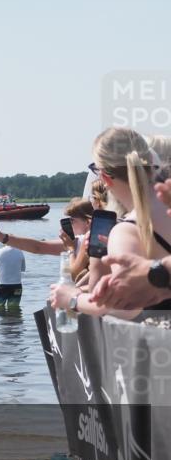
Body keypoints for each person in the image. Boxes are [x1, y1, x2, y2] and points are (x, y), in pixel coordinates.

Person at [50, 128, 171, 321]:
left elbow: (126, 303)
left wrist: (72, 298)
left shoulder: (126, 231)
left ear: (104, 178)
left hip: (156, 343)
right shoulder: (165, 204)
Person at [0, 198, 93, 280]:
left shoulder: (79, 242)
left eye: (72, 220)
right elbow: (38, 247)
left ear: (87, 222)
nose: (68, 224)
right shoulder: (77, 241)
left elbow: (39, 247)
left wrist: (71, 249)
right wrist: (1, 237)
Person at [0, 244, 26, 308]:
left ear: (4, 243)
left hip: (2, 285)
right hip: (17, 286)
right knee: (14, 308)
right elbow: (23, 269)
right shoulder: (20, 252)